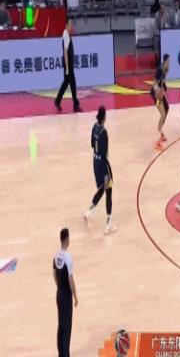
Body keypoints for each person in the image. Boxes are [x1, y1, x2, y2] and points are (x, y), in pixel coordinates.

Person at [84, 106, 117, 235]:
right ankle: (108, 225)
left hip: (95, 163)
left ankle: (89, 211)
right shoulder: (104, 132)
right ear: (104, 117)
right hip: (103, 165)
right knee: (108, 191)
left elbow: (92, 144)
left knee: (102, 189)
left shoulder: (94, 127)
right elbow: (106, 152)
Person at [53, 228, 78, 357]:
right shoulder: (68, 257)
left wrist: (59, 286)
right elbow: (70, 279)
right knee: (67, 327)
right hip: (66, 296)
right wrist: (75, 296)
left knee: (61, 325)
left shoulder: (56, 255)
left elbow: (54, 273)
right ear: (67, 239)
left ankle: (60, 353)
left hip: (59, 293)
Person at [55, 19, 81, 112]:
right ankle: (75, 104)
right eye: (69, 25)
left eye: (72, 25)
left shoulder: (67, 34)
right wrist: (66, 68)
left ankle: (58, 101)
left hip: (69, 64)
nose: (71, 26)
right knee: (71, 83)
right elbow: (65, 52)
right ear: (66, 25)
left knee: (67, 83)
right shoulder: (66, 35)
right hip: (68, 64)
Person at [151, 55, 170, 150]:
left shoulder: (166, 69)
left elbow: (162, 81)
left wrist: (164, 89)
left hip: (160, 93)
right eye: (168, 61)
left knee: (167, 108)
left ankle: (161, 130)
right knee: (163, 113)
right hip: (156, 94)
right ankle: (159, 135)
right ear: (165, 61)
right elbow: (154, 84)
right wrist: (158, 94)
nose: (169, 63)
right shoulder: (159, 70)